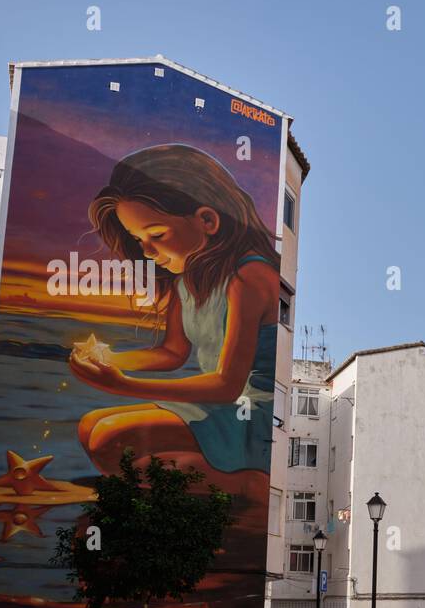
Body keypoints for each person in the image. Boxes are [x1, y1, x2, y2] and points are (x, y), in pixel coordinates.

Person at [69, 144, 280, 502]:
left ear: (207, 221)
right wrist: (108, 360)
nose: (148, 252)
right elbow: (171, 352)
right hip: (213, 401)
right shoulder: (187, 276)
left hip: (248, 409)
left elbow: (228, 385)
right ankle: (207, 478)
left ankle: (245, 483)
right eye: (139, 240)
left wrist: (126, 385)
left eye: (157, 235)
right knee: (89, 427)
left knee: (108, 438)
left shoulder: (251, 276)